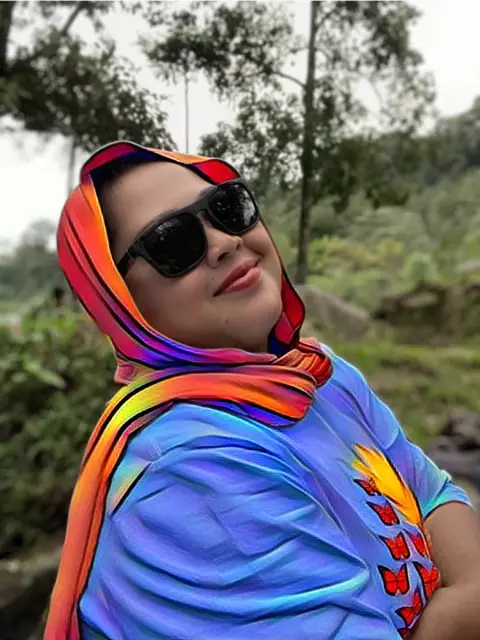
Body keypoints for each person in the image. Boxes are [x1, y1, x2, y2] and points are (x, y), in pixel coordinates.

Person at [45, 141, 480, 640]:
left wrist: (466, 591)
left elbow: (431, 489)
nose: (224, 241)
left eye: (227, 207)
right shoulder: (190, 470)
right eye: (172, 243)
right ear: (118, 301)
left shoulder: (318, 376)